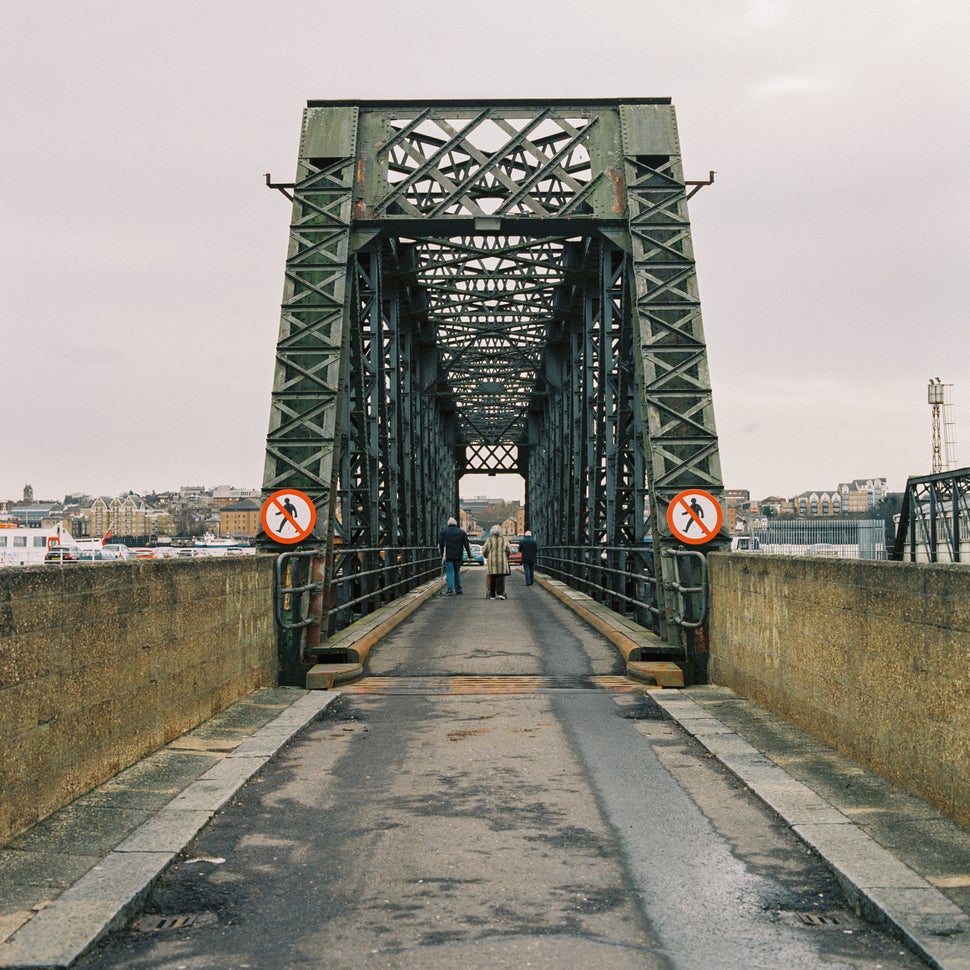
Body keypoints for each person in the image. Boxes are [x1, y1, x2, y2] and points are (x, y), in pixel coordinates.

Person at [438, 516, 472, 595]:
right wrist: (469, 555)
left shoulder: (444, 531)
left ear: (448, 523)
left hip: (449, 556)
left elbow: (441, 543)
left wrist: (442, 553)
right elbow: (467, 544)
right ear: (456, 523)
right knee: (457, 572)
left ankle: (450, 589)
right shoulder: (461, 532)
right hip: (458, 556)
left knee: (449, 572)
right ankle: (458, 589)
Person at [482, 524, 511, 600]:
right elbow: (509, 550)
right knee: (501, 577)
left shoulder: (489, 539)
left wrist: (486, 556)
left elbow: (484, 550)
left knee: (493, 577)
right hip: (501, 560)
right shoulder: (504, 539)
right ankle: (501, 593)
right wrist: (506, 555)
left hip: (492, 561)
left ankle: (492, 595)